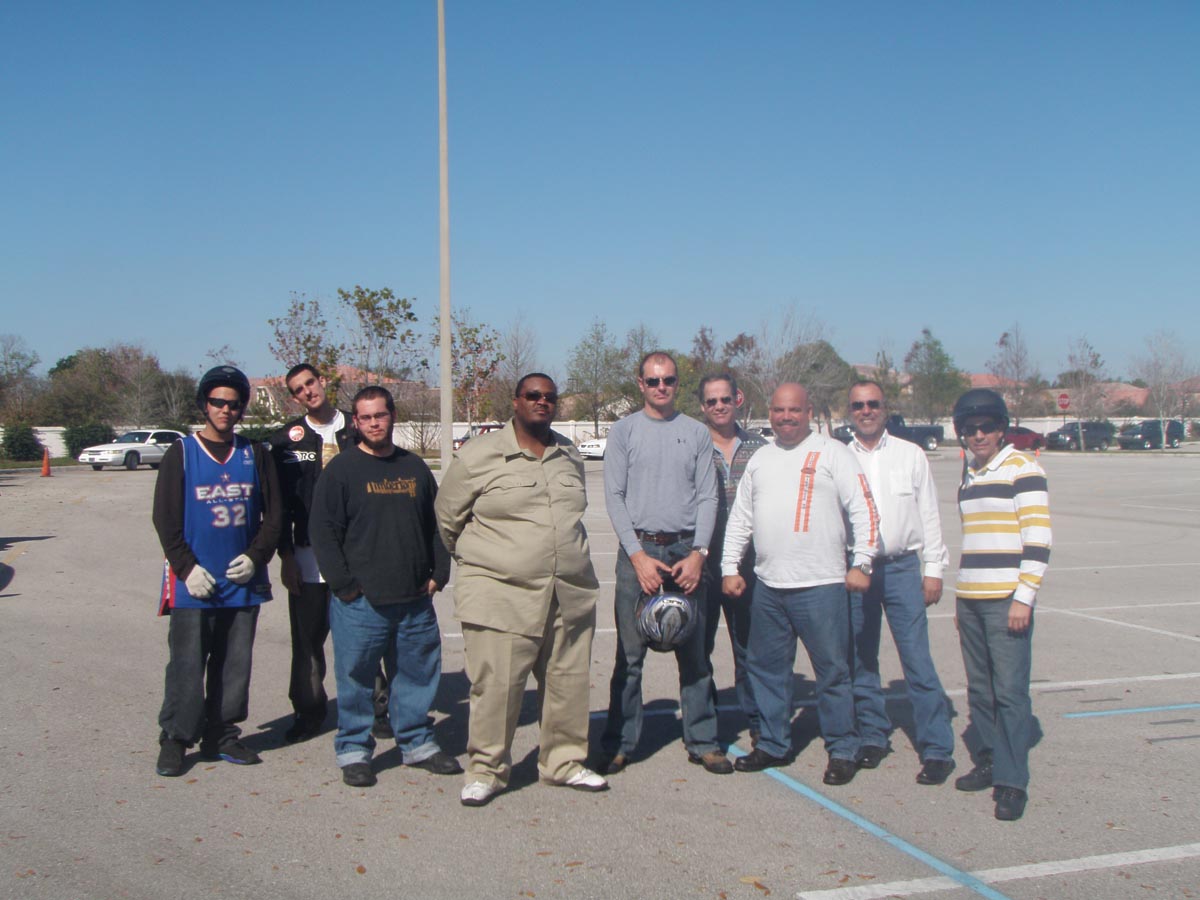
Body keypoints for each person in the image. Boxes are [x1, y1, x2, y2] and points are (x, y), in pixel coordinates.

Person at [436, 373, 608, 807]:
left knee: (567, 683)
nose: (541, 402)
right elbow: (448, 520)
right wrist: (492, 562)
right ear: (515, 402)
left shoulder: (568, 454)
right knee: (497, 688)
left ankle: (563, 763)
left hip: (568, 592)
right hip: (501, 595)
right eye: (533, 395)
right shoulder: (478, 456)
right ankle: (486, 771)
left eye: (549, 397)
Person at [721, 383, 878, 786]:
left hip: (822, 586)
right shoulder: (761, 459)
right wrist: (729, 566)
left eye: (794, 410)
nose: (785, 417)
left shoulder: (834, 453)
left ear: (809, 412)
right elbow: (741, 518)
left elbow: (864, 509)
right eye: (778, 410)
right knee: (767, 670)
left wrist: (862, 562)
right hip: (769, 587)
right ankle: (774, 744)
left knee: (832, 672)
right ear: (769, 412)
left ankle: (843, 748)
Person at [309, 385, 459, 788]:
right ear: (356, 423)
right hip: (361, 603)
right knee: (356, 680)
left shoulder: (414, 467)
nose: (374, 423)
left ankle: (417, 743)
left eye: (380, 415)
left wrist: (439, 572)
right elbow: (323, 532)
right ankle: (354, 750)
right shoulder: (341, 470)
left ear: (392, 416)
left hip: (414, 599)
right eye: (366, 417)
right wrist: (344, 585)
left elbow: (436, 525)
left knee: (416, 675)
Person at [598, 352, 731, 775]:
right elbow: (614, 496)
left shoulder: (695, 433)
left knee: (696, 655)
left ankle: (704, 741)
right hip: (639, 552)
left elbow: (708, 496)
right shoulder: (624, 432)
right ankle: (620, 743)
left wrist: (699, 554)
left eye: (669, 380)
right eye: (653, 381)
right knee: (629, 657)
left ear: (677, 383)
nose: (661, 387)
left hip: (685, 552)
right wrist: (637, 556)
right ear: (640, 383)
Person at [153, 365, 282, 777]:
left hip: (242, 579)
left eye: (234, 404)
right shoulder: (182, 453)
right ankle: (176, 737)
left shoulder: (255, 454)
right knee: (187, 663)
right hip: (195, 583)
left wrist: (258, 556)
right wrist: (186, 568)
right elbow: (165, 520)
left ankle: (222, 734)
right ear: (204, 405)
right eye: (218, 402)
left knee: (234, 663)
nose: (226, 410)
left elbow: (275, 515)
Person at [269, 363, 391, 744]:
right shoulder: (285, 442)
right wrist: (286, 556)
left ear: (322, 381)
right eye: (298, 389)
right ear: (294, 397)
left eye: (310, 382)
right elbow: (278, 506)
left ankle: (378, 709)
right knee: (307, 642)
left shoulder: (356, 429)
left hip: (357, 555)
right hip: (308, 559)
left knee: (364, 638)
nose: (307, 391)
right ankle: (308, 712)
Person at [843, 380, 955, 785]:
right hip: (858, 569)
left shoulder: (911, 455)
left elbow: (929, 513)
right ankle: (873, 736)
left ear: (885, 408)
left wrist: (934, 568)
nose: (866, 411)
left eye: (873, 404)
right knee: (861, 659)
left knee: (917, 660)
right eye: (859, 405)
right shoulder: (840, 457)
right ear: (850, 411)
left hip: (903, 568)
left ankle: (937, 748)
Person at [951, 388, 1051, 821]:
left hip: (1006, 599)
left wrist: (1023, 598)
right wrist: (962, 598)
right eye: (970, 428)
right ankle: (990, 759)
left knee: (1010, 693)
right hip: (971, 598)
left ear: (1002, 428)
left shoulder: (1022, 468)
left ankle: (1012, 782)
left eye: (987, 427)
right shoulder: (971, 472)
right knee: (980, 690)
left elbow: (1038, 539)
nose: (979, 435)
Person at [697, 373, 767, 746]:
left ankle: (758, 720)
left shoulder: (760, 448)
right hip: (704, 561)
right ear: (702, 406)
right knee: (699, 648)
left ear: (737, 399)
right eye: (712, 401)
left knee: (750, 647)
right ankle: (706, 726)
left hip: (747, 562)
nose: (719, 406)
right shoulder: (692, 446)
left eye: (725, 399)